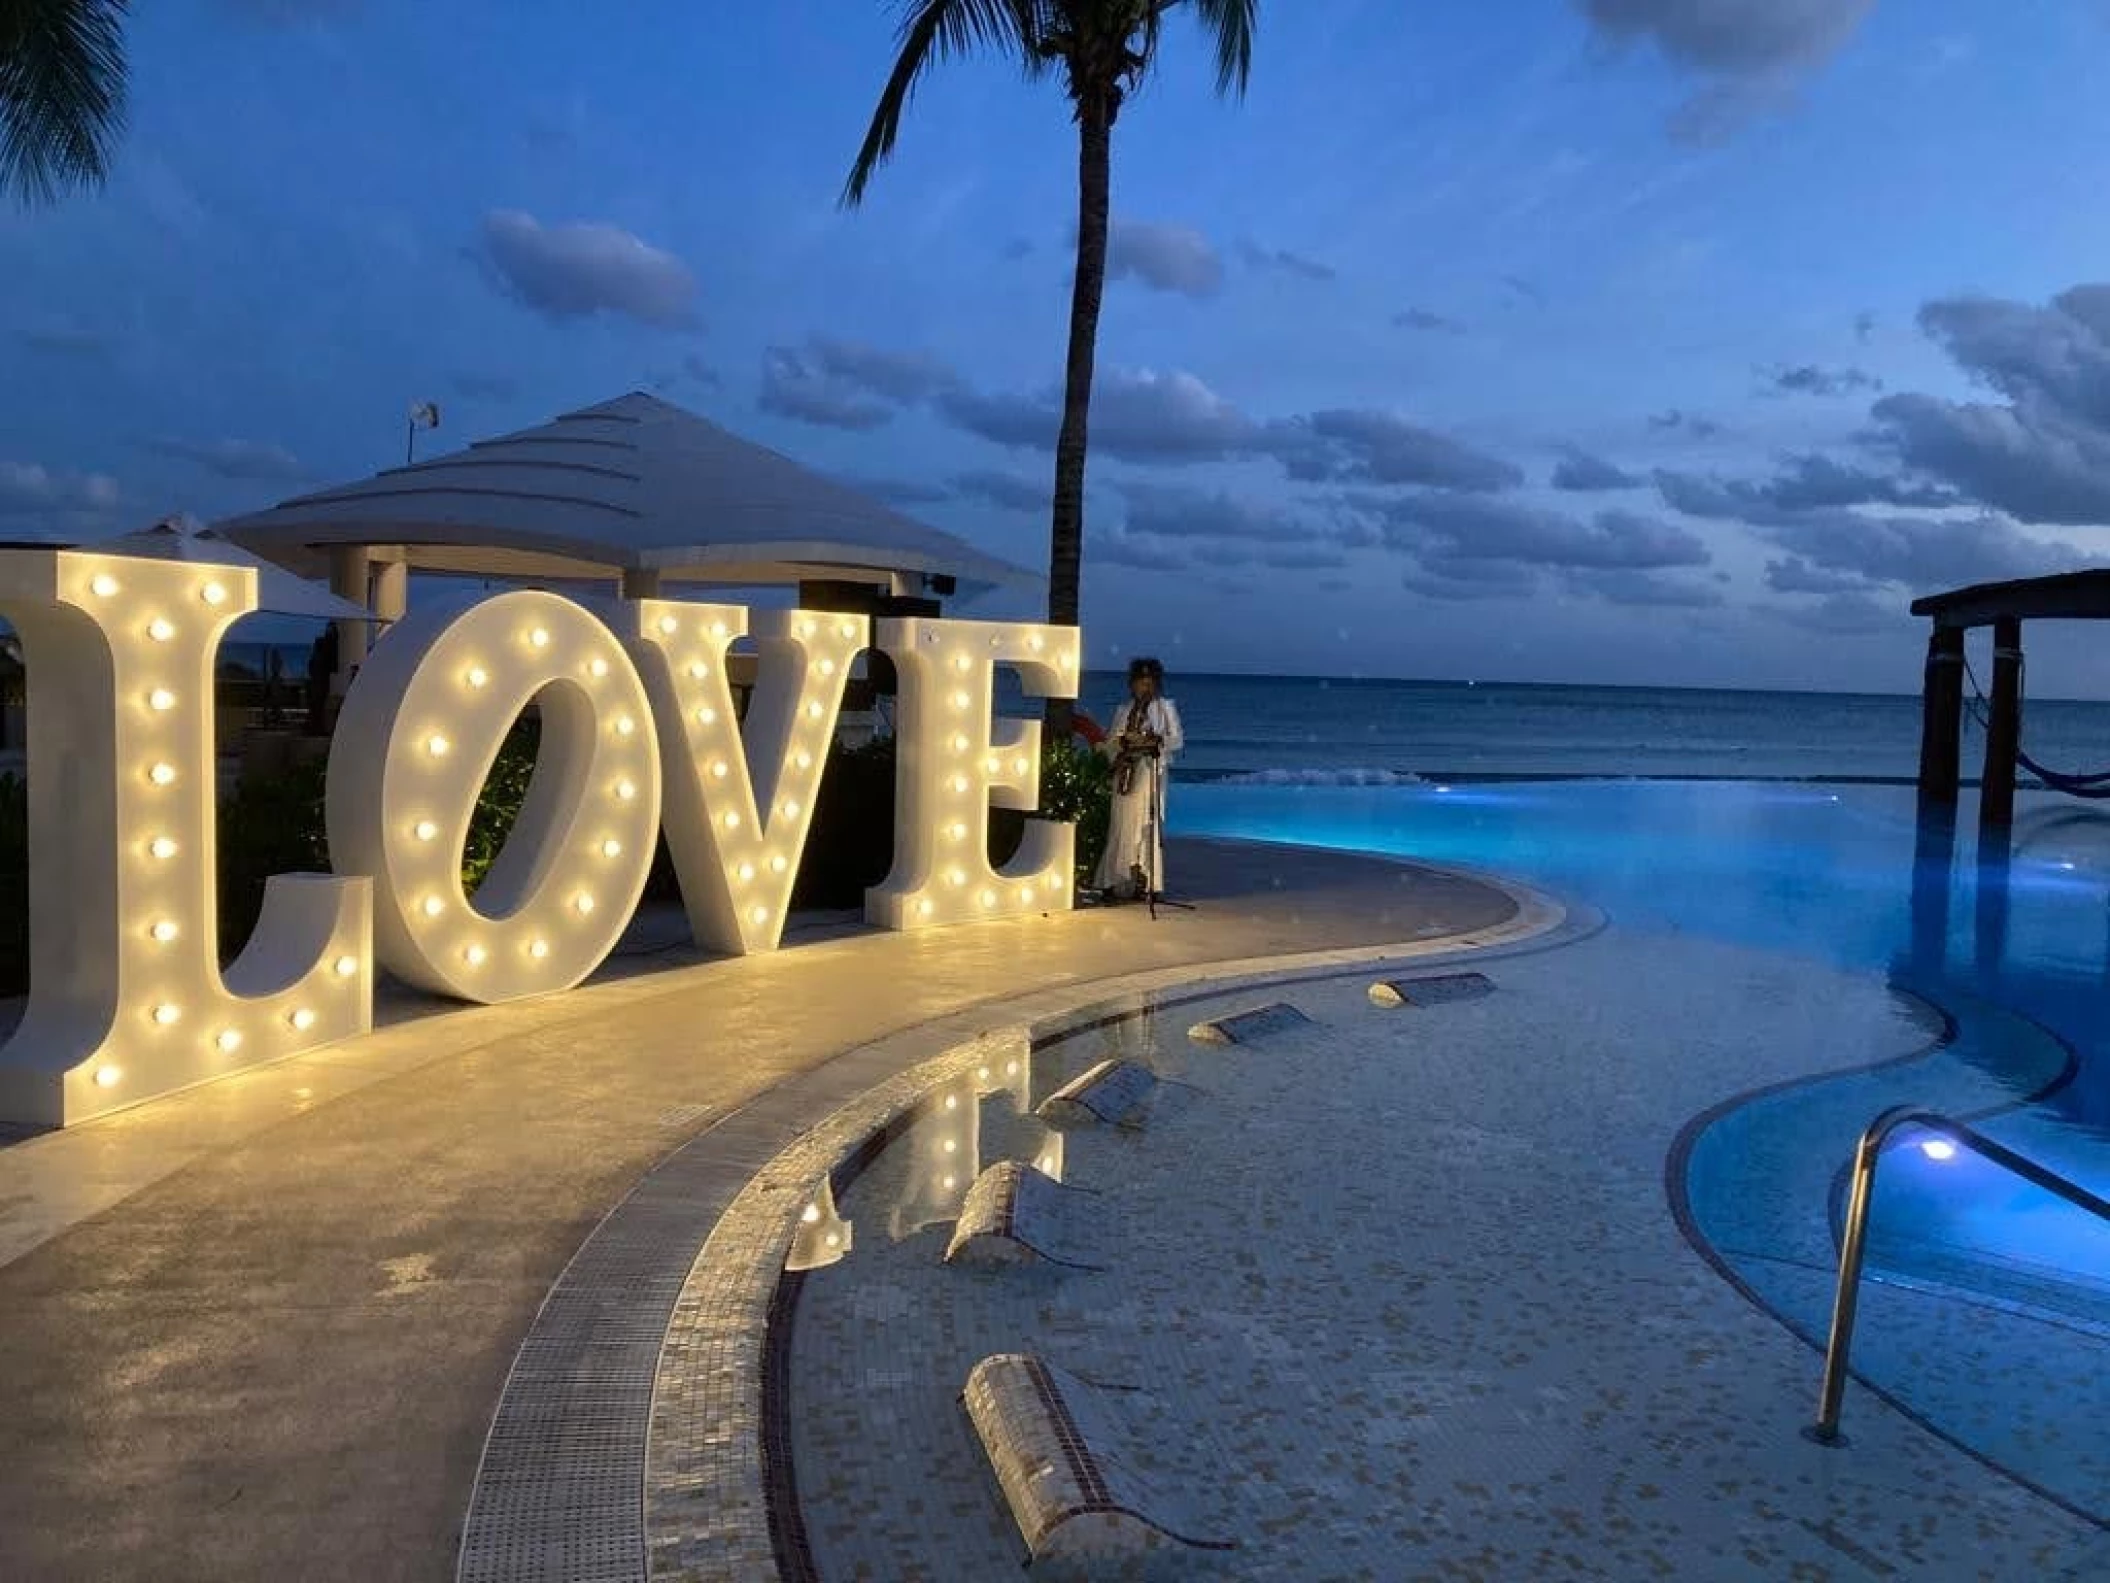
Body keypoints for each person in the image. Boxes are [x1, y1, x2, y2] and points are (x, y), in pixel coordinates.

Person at [1093, 657, 1184, 901]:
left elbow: (1177, 740)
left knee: (1148, 827)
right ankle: (1112, 882)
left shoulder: (1165, 708)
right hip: (1127, 773)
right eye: (1140, 682)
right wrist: (1121, 743)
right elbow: (1111, 740)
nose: (1145, 687)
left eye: (1149, 682)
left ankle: (1148, 884)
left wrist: (1155, 741)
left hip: (1150, 771)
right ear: (1133, 684)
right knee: (1121, 826)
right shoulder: (1124, 711)